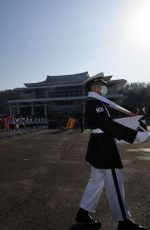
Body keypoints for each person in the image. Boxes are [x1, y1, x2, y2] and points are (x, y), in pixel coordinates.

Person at [74, 73, 149, 230]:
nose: (103, 87)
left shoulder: (96, 102)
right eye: (101, 84)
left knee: (96, 182)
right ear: (94, 86)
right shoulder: (95, 103)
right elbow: (107, 124)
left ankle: (83, 212)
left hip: (99, 148)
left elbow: (107, 124)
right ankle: (124, 222)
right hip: (104, 150)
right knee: (115, 182)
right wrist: (134, 135)